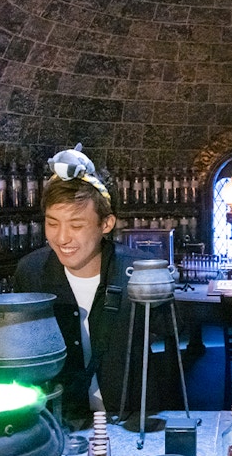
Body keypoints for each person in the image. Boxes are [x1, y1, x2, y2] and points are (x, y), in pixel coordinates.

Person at [13, 146, 149, 427]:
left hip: (130, 421)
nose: (62, 238)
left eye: (76, 225)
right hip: (61, 423)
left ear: (106, 224)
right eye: (52, 224)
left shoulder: (138, 273)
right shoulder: (31, 273)